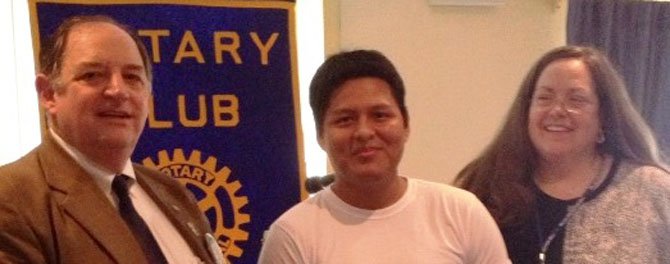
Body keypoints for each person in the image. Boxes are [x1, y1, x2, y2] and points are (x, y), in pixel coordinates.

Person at [0, 15, 225, 264]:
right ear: (49, 93)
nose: (118, 90)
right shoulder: (12, 200)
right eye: (93, 75)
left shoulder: (172, 192)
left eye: (132, 77)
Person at [258, 49, 511, 263]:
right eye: (345, 119)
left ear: (406, 123)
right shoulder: (292, 235)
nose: (364, 132)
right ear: (320, 135)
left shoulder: (462, 213)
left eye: (380, 115)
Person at [454, 45, 670, 263]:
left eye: (576, 99)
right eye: (544, 98)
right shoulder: (483, 186)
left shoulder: (652, 191)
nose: (557, 110)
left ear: (605, 115)